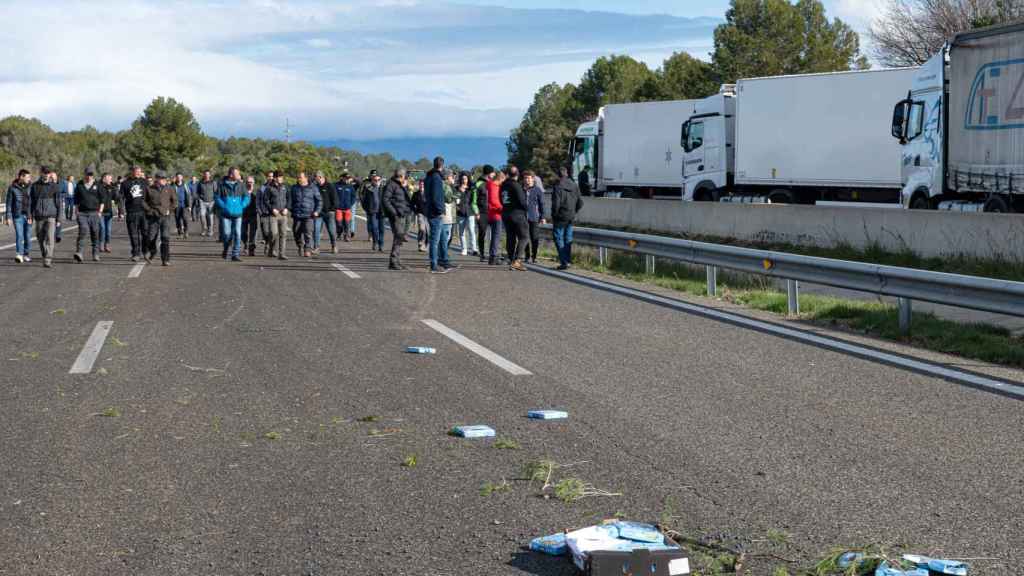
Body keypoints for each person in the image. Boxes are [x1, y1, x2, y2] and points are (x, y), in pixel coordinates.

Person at [424, 157, 453, 274]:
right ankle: (433, 265)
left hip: (430, 210)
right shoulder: (436, 178)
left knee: (440, 238)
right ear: (442, 166)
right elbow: (437, 197)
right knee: (435, 240)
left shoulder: (428, 177)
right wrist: (441, 210)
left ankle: (443, 261)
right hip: (436, 213)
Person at [551, 166, 584, 270]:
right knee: (568, 238)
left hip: (560, 217)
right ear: (567, 174)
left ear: (558, 175)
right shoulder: (574, 185)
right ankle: (568, 261)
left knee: (558, 238)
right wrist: (574, 211)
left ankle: (564, 261)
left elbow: (556, 204)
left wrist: (554, 215)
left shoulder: (558, 186)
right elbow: (580, 202)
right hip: (570, 217)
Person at [216, 167, 251, 261]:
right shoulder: (222, 185)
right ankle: (226, 249)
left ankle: (235, 254)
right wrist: (224, 206)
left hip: (238, 214)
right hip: (226, 214)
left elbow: (247, 197)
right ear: (231, 175)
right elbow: (217, 198)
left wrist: (242, 205)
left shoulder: (241, 185)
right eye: (237, 173)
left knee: (237, 234)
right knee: (227, 234)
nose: (239, 175)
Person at [30, 167, 62, 268]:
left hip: (51, 217)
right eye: (45, 173)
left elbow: (59, 203)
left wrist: (59, 219)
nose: (47, 174)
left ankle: (48, 259)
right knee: (40, 238)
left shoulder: (54, 186)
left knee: (50, 238)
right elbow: (31, 202)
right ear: (41, 173)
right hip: (39, 216)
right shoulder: (34, 186)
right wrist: (29, 215)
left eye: (48, 173)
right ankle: (45, 254)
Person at [381, 167, 412, 270]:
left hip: (402, 214)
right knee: (398, 237)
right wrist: (394, 212)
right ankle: (393, 261)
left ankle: (396, 261)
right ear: (402, 176)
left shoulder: (400, 185)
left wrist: (405, 187)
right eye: (405, 176)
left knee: (399, 238)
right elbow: (385, 200)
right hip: (396, 216)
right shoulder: (391, 185)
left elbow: (406, 198)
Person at [143, 173, 177, 266]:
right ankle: (153, 251)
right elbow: (143, 202)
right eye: (162, 178)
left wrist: (169, 210)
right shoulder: (149, 188)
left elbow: (174, 201)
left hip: (165, 217)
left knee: (165, 238)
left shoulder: (169, 188)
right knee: (151, 238)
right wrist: (150, 211)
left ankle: (165, 259)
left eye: (165, 178)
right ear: (157, 179)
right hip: (153, 217)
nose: (164, 180)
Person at [501, 167, 529, 271]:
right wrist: (527, 208)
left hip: (505, 213)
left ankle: (511, 259)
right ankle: (517, 260)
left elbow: (501, 199)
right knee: (524, 237)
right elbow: (522, 201)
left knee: (510, 237)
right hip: (517, 214)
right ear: (518, 174)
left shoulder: (503, 185)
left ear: (508, 174)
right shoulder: (516, 185)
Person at [73, 169, 104, 263]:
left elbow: (102, 200)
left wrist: (100, 212)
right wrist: (76, 211)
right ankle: (79, 253)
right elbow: (76, 199)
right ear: (85, 174)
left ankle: (95, 253)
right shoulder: (79, 185)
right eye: (88, 174)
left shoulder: (98, 185)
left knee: (95, 233)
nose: (89, 176)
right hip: (82, 213)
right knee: (83, 230)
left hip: (94, 213)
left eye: (91, 175)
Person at [289, 171, 321, 258]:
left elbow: (319, 201)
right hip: (297, 214)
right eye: (298, 177)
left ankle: (307, 249)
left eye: (300, 177)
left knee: (308, 232)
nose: (299, 179)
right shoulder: (294, 188)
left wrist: (317, 211)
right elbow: (290, 201)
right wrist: (291, 209)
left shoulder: (313, 188)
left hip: (309, 215)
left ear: (306, 178)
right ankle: (300, 246)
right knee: (296, 232)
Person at [120, 166, 148, 262]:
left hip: (144, 212)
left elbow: (150, 196)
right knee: (133, 234)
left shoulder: (145, 182)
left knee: (145, 233)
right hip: (131, 212)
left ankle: (145, 251)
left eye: (139, 172)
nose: (138, 173)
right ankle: (136, 253)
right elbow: (121, 198)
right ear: (132, 172)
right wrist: (121, 211)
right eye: (136, 172)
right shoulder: (125, 183)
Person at [5, 169, 33, 263]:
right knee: (19, 235)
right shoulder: (12, 187)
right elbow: (9, 203)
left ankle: (26, 254)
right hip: (17, 215)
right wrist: (8, 217)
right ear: (21, 177)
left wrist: (31, 216)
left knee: (27, 236)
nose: (29, 179)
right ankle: (19, 254)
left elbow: (33, 202)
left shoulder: (31, 187)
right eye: (28, 177)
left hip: (28, 216)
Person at [261, 171, 289, 259]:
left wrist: (287, 208)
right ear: (275, 178)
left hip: (283, 214)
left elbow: (289, 199)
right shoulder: (269, 188)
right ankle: (271, 250)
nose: (281, 178)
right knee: (274, 233)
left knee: (283, 234)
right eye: (279, 177)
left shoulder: (285, 187)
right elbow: (265, 200)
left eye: (281, 177)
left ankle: (282, 254)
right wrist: (272, 209)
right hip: (273, 214)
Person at [524, 170, 546, 264]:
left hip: (534, 217)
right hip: (523, 218)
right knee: (525, 237)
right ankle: (527, 256)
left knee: (534, 237)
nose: (527, 180)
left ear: (533, 179)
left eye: (528, 178)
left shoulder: (537, 190)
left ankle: (534, 256)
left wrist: (543, 217)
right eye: (525, 178)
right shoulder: (522, 189)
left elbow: (542, 204)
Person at [314, 171, 339, 254]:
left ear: (321, 177)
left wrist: (332, 209)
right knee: (316, 230)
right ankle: (316, 247)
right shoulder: (315, 187)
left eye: (317, 178)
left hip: (329, 213)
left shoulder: (330, 186)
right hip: (318, 213)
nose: (316, 180)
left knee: (331, 231)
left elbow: (335, 199)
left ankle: (334, 246)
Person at [360, 170, 384, 251]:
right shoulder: (369, 188)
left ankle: (381, 244)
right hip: (372, 211)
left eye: (378, 180)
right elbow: (364, 199)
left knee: (381, 229)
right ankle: (375, 242)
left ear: (380, 180)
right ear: (372, 180)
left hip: (382, 212)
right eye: (375, 180)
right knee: (374, 228)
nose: (376, 181)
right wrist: (367, 209)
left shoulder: (384, 189)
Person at [453, 172, 474, 256]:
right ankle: (464, 249)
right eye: (462, 178)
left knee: (471, 231)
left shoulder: (471, 188)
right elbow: (455, 199)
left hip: (470, 212)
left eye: (465, 178)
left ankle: (473, 249)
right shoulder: (456, 188)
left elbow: (473, 200)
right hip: (460, 213)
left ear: (468, 179)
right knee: (461, 232)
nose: (463, 180)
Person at [486, 169, 504, 265]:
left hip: (491, 213)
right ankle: (493, 256)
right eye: (502, 181)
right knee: (496, 236)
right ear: (500, 178)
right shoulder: (494, 186)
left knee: (494, 236)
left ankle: (493, 255)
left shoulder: (489, 185)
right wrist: (502, 208)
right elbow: (494, 200)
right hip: (496, 214)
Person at [336, 173, 357, 243]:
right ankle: (339, 233)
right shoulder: (336, 185)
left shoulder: (350, 187)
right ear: (342, 178)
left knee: (347, 223)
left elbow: (354, 197)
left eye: (348, 179)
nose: (347, 180)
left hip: (347, 208)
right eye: (346, 178)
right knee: (339, 223)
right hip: (338, 208)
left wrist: (350, 204)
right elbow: (333, 195)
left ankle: (346, 236)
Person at [241, 176, 259, 257]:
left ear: (254, 183)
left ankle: (251, 249)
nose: (249, 183)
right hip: (243, 214)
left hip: (253, 214)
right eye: (248, 182)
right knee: (243, 232)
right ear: (246, 183)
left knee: (253, 233)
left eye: (251, 182)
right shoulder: (242, 191)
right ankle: (245, 244)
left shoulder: (257, 192)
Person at [99, 173, 117, 253]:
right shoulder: (98, 187)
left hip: (109, 212)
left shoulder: (112, 188)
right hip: (100, 212)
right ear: (104, 178)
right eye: (109, 178)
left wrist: (115, 189)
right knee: (102, 228)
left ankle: (107, 244)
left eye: (111, 179)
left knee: (108, 230)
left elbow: (116, 198)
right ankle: (101, 244)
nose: (111, 180)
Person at [197, 170, 217, 237]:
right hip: (202, 201)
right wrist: (200, 198)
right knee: (202, 216)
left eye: (208, 174)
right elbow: (198, 192)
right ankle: (204, 229)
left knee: (210, 217)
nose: (206, 175)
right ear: (203, 175)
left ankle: (210, 230)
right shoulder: (200, 183)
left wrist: (215, 200)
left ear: (210, 175)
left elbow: (216, 191)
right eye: (205, 174)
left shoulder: (213, 182)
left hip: (211, 201)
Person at [411, 178, 428, 252]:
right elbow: (411, 204)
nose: (421, 185)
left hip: (428, 214)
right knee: (422, 229)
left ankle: (425, 245)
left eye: (423, 184)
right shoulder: (416, 194)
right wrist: (415, 211)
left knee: (427, 231)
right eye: (420, 184)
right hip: (420, 214)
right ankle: (420, 243)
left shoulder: (428, 193)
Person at [172, 174, 191, 238]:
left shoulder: (185, 185)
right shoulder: (173, 185)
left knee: (185, 218)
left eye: (180, 177)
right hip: (176, 205)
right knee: (177, 219)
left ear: (182, 177)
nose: (179, 178)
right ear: (176, 178)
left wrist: (189, 205)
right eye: (177, 177)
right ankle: (180, 232)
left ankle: (186, 231)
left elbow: (188, 195)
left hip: (184, 205)